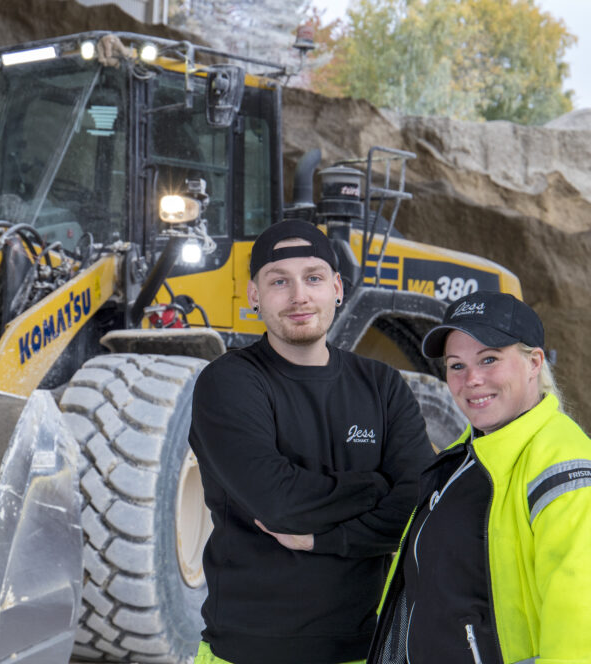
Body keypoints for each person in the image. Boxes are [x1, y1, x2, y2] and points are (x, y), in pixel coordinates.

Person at [188, 219, 434, 664]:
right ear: (255, 296)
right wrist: (377, 487)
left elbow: (418, 507)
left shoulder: (382, 385)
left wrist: (321, 540)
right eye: (279, 281)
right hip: (248, 651)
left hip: (365, 649)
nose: (299, 296)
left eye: (313, 278)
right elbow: (279, 504)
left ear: (337, 288)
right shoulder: (228, 383)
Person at [367, 291, 591, 663]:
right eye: (456, 365)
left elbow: (580, 614)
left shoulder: (564, 465)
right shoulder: (464, 457)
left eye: (489, 359)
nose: (472, 379)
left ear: (534, 362)